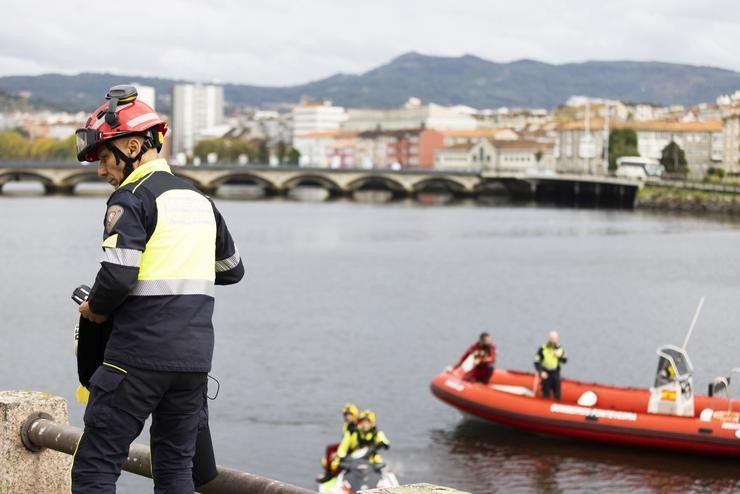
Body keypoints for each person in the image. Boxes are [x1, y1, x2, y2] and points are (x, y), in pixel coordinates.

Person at [71, 85, 244, 493]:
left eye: (104, 157)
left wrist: (94, 309)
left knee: (95, 465)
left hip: (136, 358)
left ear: (134, 146)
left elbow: (117, 277)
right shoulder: (200, 199)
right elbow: (231, 270)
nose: (100, 170)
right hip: (192, 363)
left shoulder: (131, 198)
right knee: (175, 470)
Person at [317, 403, 359, 483]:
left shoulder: (356, 426)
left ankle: (332, 472)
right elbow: (345, 441)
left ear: (354, 415)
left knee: (334, 455)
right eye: (345, 415)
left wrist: (338, 454)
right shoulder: (347, 425)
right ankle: (329, 472)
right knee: (330, 448)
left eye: (349, 415)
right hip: (347, 446)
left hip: (353, 448)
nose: (347, 417)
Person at [534, 330, 567, 400]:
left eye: (554, 338)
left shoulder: (560, 349)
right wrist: (541, 372)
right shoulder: (543, 348)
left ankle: (557, 407)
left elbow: (565, 360)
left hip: (555, 373)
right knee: (545, 394)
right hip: (546, 373)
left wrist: (559, 356)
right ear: (549, 338)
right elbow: (536, 361)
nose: (553, 340)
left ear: (557, 339)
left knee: (557, 394)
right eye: (552, 338)